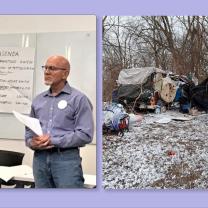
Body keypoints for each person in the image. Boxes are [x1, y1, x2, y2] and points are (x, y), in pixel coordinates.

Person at [25, 55, 94, 188]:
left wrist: (53, 141)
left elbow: (85, 134)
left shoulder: (78, 99)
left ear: (65, 74)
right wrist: (32, 142)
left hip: (66, 160)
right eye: (45, 68)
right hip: (39, 160)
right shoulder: (38, 100)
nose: (46, 72)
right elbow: (29, 131)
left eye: (52, 68)